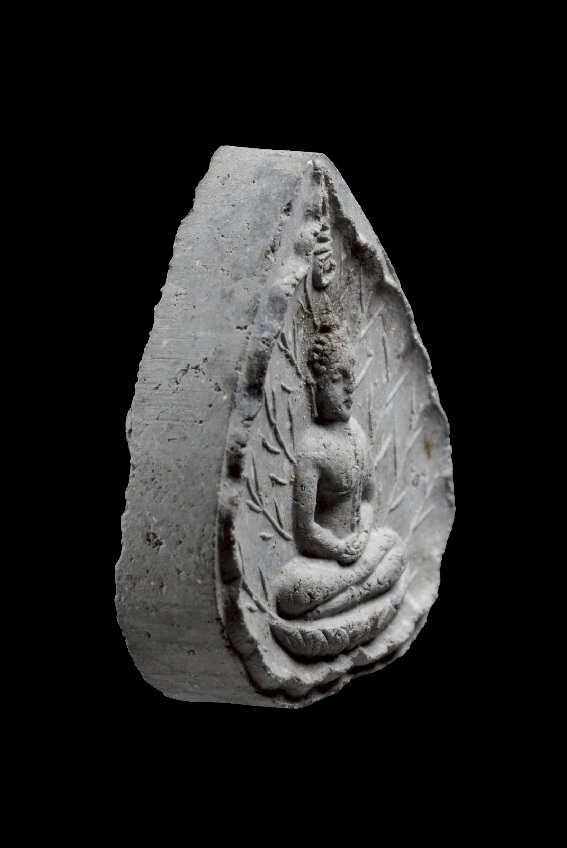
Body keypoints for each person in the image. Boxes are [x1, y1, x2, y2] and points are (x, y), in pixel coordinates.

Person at [272, 316, 405, 621]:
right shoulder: (312, 448)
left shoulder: (356, 433)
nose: (349, 389)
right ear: (316, 385)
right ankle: (354, 595)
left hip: (358, 548)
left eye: (351, 378)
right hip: (325, 561)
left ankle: (336, 606)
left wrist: (364, 533)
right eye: (337, 379)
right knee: (290, 593)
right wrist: (339, 549)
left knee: (393, 545)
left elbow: (368, 496)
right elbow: (305, 531)